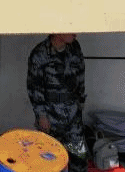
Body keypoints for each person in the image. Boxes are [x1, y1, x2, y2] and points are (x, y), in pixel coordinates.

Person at [27, 34, 87, 172]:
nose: (75, 33)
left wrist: (80, 102)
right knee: (51, 161)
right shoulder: (40, 53)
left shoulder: (75, 48)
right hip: (51, 117)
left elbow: (81, 74)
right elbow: (34, 87)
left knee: (79, 160)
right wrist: (41, 116)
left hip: (73, 116)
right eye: (70, 28)